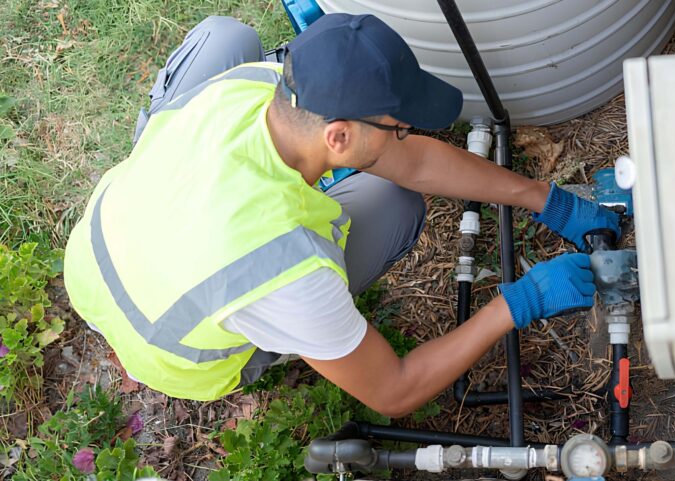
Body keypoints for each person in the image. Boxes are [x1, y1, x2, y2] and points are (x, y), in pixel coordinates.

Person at [63, 14, 620, 416]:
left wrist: (544, 198)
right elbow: (395, 389)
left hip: (107, 247)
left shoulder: (250, 87)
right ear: (338, 136)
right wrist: (519, 302)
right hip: (169, 348)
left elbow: (416, 162)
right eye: (397, 127)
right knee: (394, 207)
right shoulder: (286, 269)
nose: (407, 135)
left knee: (224, 37)